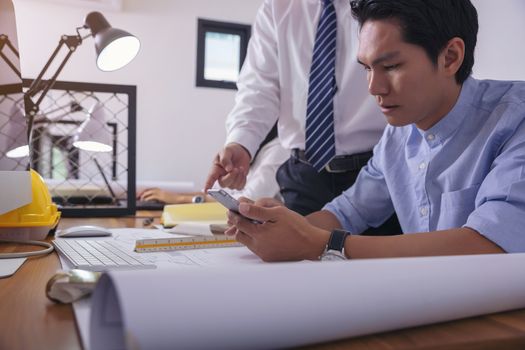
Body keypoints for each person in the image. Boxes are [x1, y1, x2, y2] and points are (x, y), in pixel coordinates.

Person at [225, 0, 525, 262]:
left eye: (391, 66)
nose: (374, 88)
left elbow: (490, 243)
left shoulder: (515, 120)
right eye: (366, 68)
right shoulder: (399, 135)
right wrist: (277, 224)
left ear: (450, 57)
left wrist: (321, 244)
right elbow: (348, 211)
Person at [204, 0, 396, 222]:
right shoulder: (277, 7)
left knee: (379, 254)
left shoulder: (387, 7)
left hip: (377, 169)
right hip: (304, 174)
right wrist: (241, 143)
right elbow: (259, 86)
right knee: (296, 250)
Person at [137, 125, 288, 204]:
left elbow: (249, 201)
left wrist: (177, 199)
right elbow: (217, 192)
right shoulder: (255, 150)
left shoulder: (281, 148)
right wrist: (164, 194)